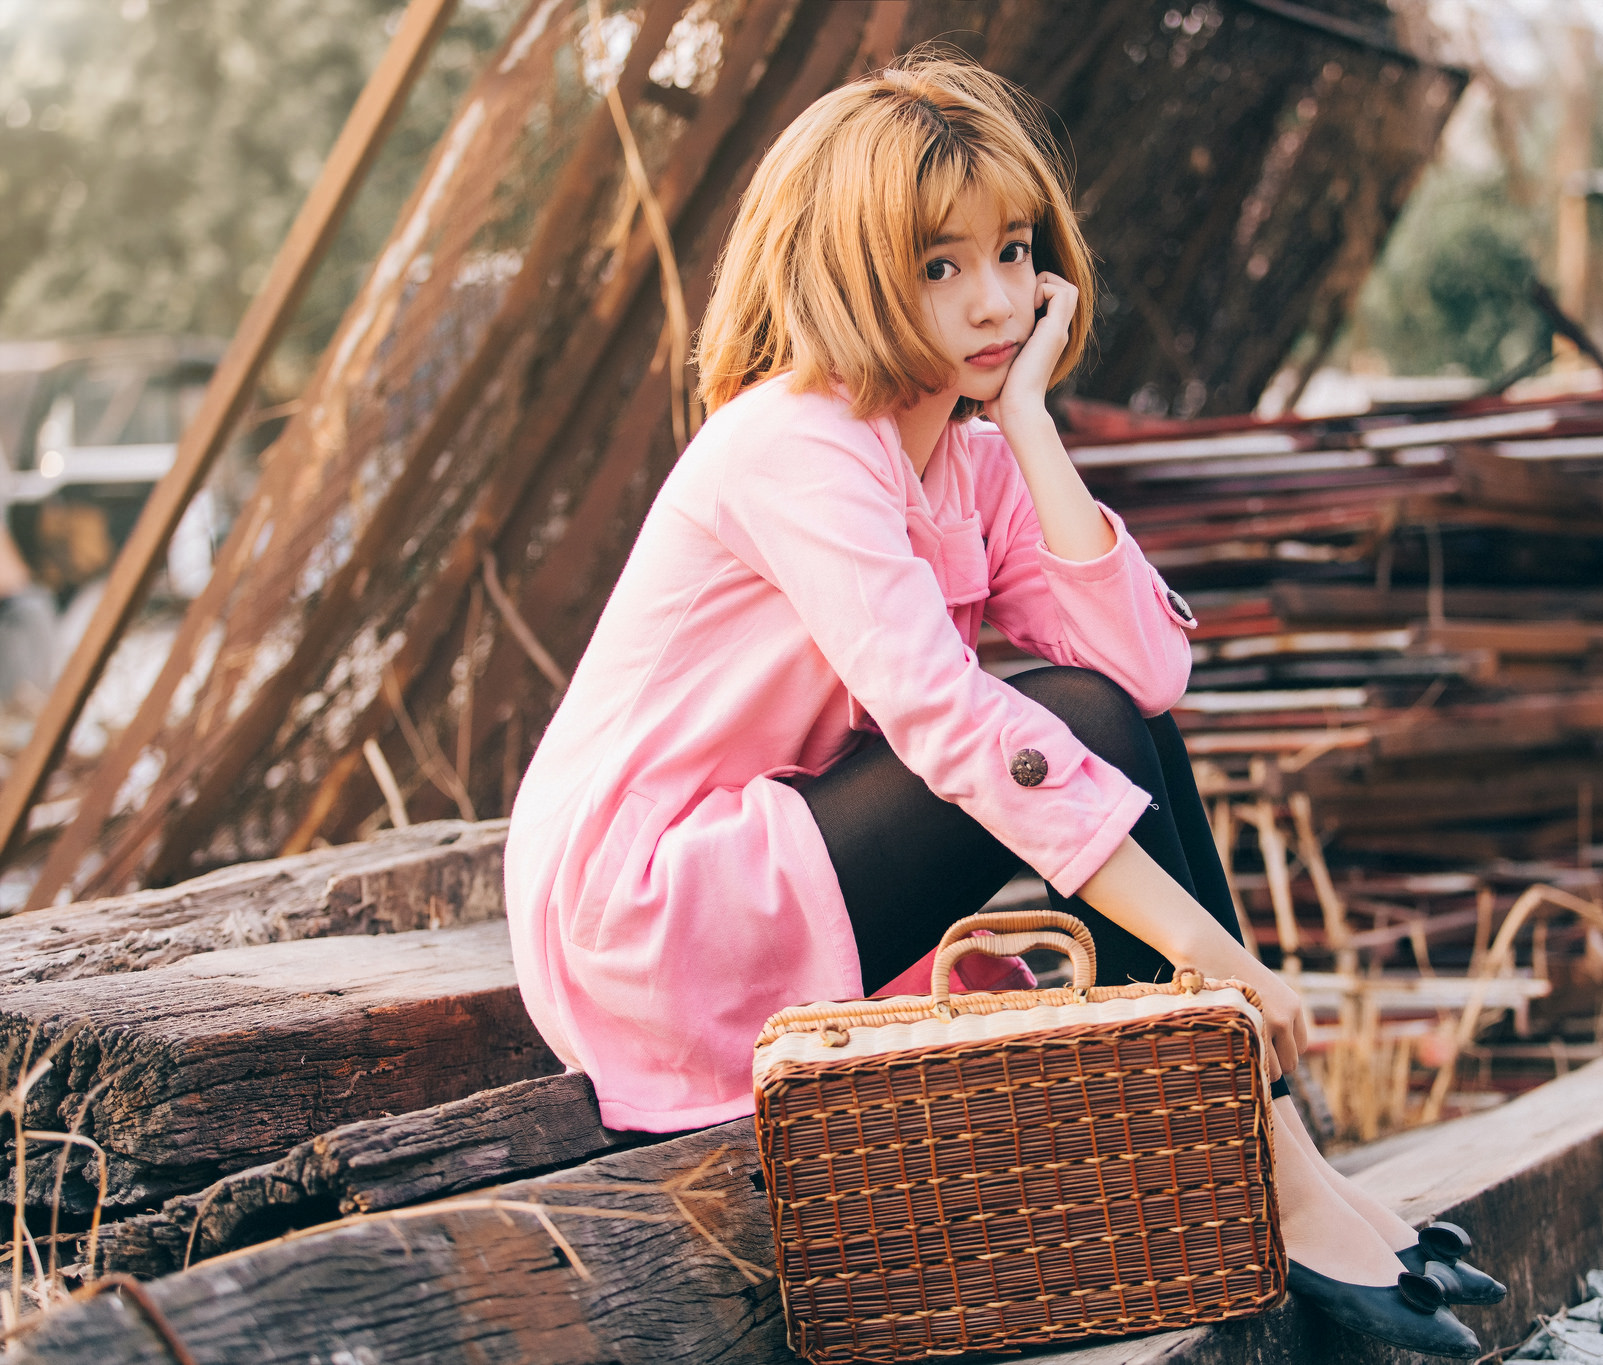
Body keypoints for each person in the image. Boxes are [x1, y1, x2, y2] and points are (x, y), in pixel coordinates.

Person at [503, 50, 1502, 1358]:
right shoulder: (794, 443)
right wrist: (1214, 956)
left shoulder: (967, 457)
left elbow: (1144, 677)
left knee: (1097, 711)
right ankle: (1265, 1160)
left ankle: (1273, 1159)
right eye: (938, 264)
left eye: (1016, 249)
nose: (996, 297)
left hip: (780, 853)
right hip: (649, 905)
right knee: (1060, 729)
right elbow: (955, 725)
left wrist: (1030, 419)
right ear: (849, 269)